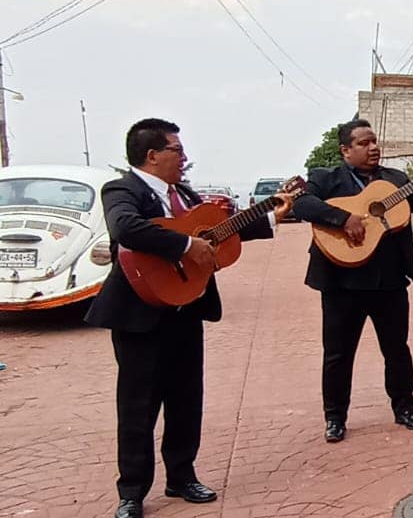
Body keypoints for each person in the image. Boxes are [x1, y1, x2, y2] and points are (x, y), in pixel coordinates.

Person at [85, 118, 292, 518]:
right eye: (178, 151)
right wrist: (184, 244)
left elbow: (218, 231)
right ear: (152, 155)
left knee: (186, 400)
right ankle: (132, 492)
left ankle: (182, 476)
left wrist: (271, 217)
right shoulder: (121, 190)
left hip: (186, 308)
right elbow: (126, 229)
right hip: (140, 315)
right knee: (138, 407)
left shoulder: (183, 193)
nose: (185, 159)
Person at [291, 119, 413, 443]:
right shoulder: (325, 178)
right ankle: (335, 418)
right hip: (342, 282)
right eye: (364, 143)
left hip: (389, 281)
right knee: (338, 353)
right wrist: (343, 218)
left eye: (374, 142)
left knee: (397, 349)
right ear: (345, 150)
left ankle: (405, 408)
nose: (373, 148)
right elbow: (302, 204)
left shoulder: (395, 180)